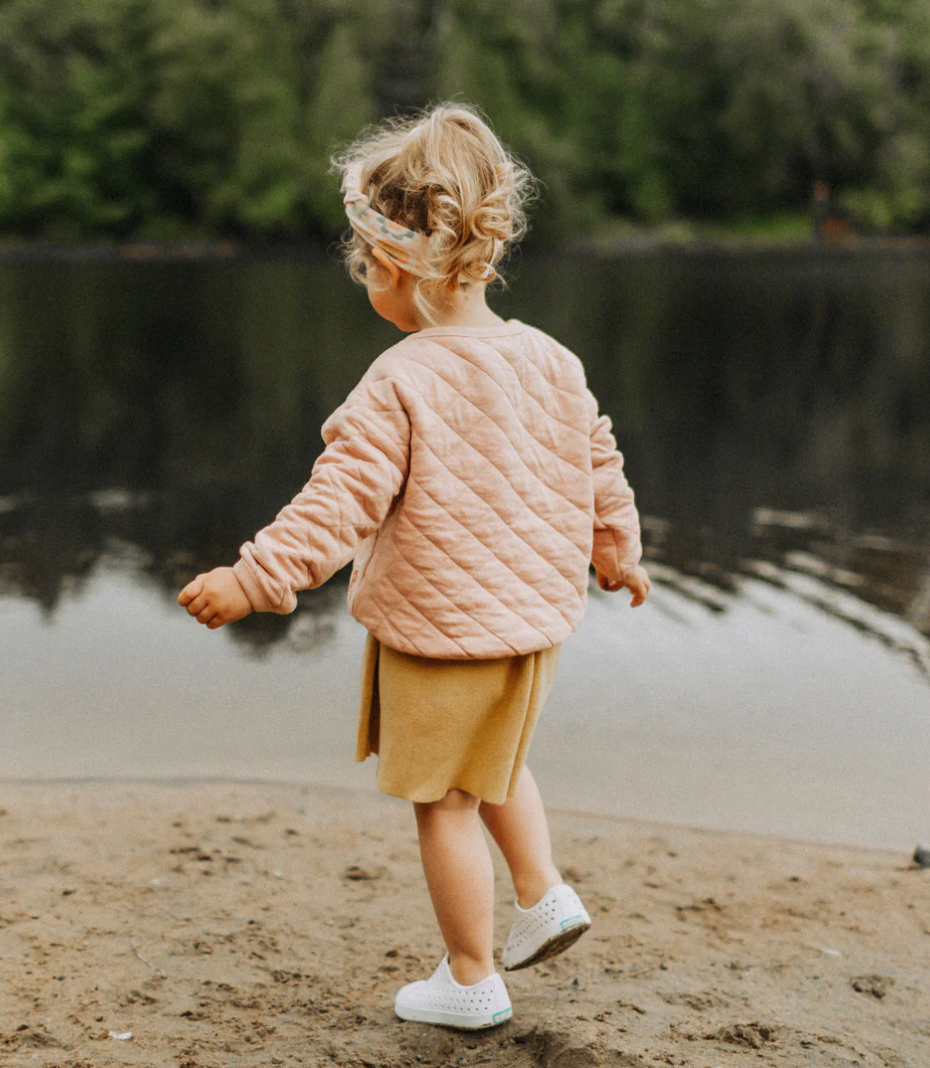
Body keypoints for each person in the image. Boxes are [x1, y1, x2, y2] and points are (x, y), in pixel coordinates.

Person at [176, 101, 650, 1031]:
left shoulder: (402, 377)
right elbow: (599, 462)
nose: (367, 286)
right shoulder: (552, 361)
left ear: (393, 265)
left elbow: (336, 502)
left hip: (439, 634)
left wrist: (254, 578)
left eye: (364, 268)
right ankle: (542, 888)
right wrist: (618, 549)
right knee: (496, 767)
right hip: (530, 628)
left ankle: (471, 976)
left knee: (442, 804)